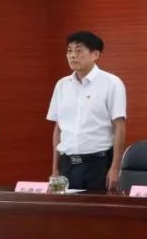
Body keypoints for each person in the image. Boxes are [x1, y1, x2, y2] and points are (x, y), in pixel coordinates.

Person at [46, 31, 127, 191]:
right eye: (69, 51)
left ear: (95, 54)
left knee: (97, 207)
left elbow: (120, 127)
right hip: (67, 164)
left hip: (98, 164)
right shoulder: (62, 85)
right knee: (66, 207)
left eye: (79, 50)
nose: (72, 55)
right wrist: (55, 169)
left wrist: (115, 168)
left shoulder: (111, 83)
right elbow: (58, 128)